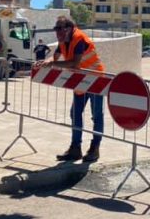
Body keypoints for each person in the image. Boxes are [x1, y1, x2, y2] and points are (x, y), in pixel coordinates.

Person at [35, 15, 105, 163]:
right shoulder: (63, 41)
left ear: (69, 28)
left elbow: (74, 63)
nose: (57, 32)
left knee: (96, 115)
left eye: (60, 28)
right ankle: (75, 148)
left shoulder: (79, 39)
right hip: (80, 80)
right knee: (75, 113)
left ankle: (95, 148)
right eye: (56, 28)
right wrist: (46, 61)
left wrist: (53, 65)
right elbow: (55, 57)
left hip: (96, 78)